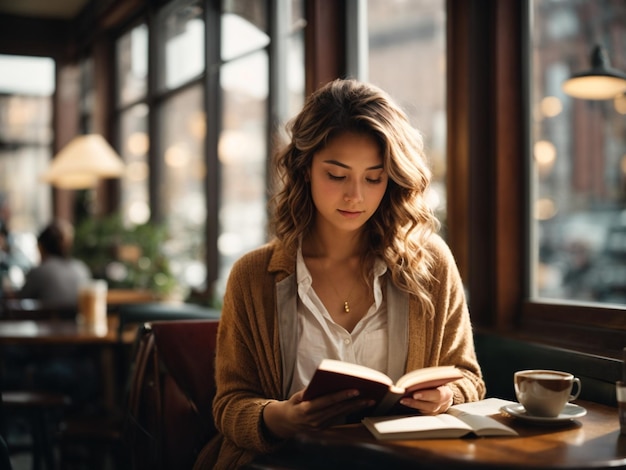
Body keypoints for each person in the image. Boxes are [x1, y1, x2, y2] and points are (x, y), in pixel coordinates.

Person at [194, 79, 486, 469]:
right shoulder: (253, 277)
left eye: (374, 177)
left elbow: (470, 379)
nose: (356, 196)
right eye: (336, 175)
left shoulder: (430, 264)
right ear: (305, 169)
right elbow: (230, 405)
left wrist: (448, 395)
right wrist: (278, 417)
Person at [17, 219, 92, 303]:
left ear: (41, 248)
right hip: (77, 316)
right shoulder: (81, 269)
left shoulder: (38, 272)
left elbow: (22, 300)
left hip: (45, 316)